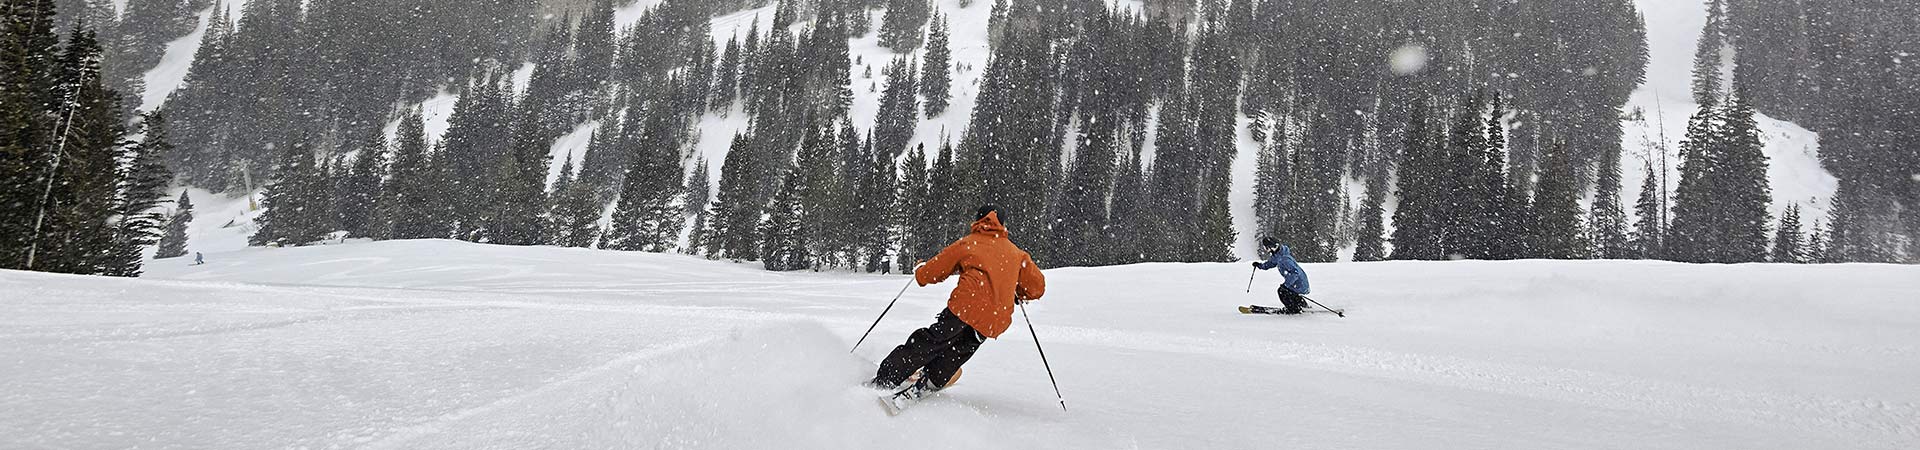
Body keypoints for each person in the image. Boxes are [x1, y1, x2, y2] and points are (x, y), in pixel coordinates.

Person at [869, 204, 1046, 399]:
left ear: (978, 220)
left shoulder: (969, 243)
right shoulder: (1017, 254)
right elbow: (1037, 287)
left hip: (966, 307)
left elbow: (934, 271)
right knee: (959, 350)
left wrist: (921, 270)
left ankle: (887, 377)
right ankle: (934, 379)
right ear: (1003, 225)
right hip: (994, 319)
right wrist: (1018, 292)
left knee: (931, 341)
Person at [1252, 237, 1311, 314]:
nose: (1265, 249)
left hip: (1299, 283)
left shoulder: (1285, 259)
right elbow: (1271, 263)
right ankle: (1301, 305)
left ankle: (1293, 309)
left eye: (1266, 247)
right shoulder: (1278, 255)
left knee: (1282, 291)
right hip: (1296, 282)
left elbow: (1295, 273)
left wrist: (1286, 285)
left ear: (1271, 247)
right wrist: (1260, 265)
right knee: (1288, 292)